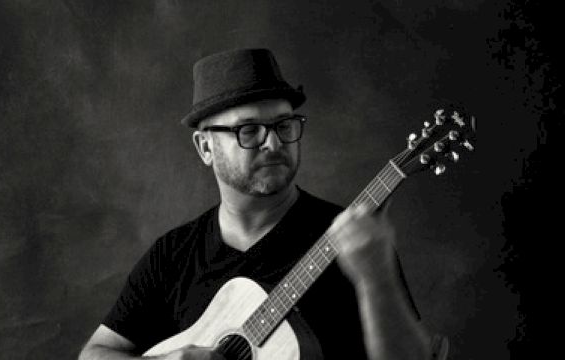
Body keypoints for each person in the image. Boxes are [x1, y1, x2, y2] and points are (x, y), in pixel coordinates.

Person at [78, 48, 448, 360]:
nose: (273, 144)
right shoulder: (172, 256)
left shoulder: (351, 236)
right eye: (249, 130)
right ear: (205, 147)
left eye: (284, 125)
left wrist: (376, 277)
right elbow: (93, 354)